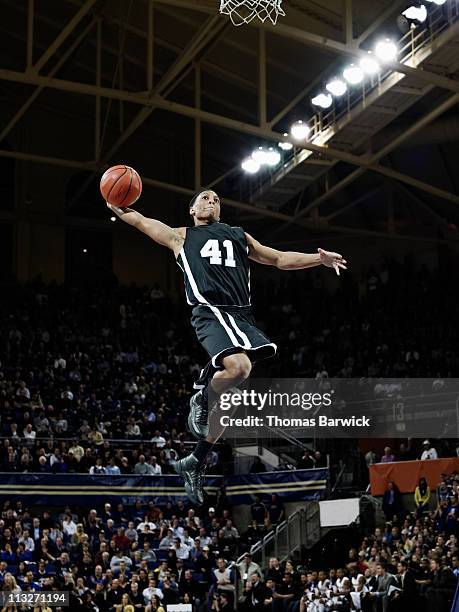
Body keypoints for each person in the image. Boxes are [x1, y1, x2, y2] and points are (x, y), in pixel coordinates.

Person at [108, 191, 347, 504]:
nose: (212, 200)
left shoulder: (237, 235)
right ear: (192, 208)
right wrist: (115, 201)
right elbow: (140, 220)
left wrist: (320, 259)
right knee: (240, 367)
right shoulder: (181, 237)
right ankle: (202, 394)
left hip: (239, 315)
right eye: (205, 198)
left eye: (217, 199)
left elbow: (277, 258)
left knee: (232, 401)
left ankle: (195, 460)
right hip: (210, 312)